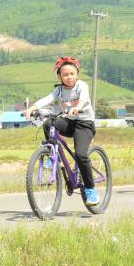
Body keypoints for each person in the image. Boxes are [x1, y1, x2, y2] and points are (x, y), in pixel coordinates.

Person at [23, 56, 100, 206]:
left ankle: (91, 190)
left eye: (72, 73)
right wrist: (33, 108)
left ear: (77, 73)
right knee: (48, 123)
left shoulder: (81, 86)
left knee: (80, 155)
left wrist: (77, 107)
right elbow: (47, 99)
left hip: (85, 125)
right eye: (65, 74)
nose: (69, 77)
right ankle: (53, 157)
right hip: (69, 123)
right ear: (59, 76)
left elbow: (83, 99)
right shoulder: (59, 90)